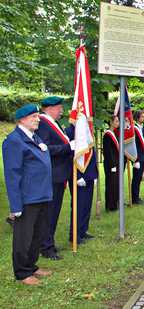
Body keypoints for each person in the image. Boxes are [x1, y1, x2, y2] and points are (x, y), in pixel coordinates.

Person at [2, 104, 53, 285]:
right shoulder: (14, 141)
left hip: (42, 194)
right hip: (27, 197)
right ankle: (22, 272)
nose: (37, 119)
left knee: (37, 234)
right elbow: (12, 175)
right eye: (33, 116)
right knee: (24, 236)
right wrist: (15, 206)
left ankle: (31, 265)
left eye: (38, 116)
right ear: (21, 119)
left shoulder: (34, 137)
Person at [36, 96, 74, 261]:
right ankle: (46, 247)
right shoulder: (44, 123)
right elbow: (44, 148)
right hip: (51, 174)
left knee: (53, 211)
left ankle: (48, 242)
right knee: (49, 212)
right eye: (59, 108)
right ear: (50, 108)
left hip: (58, 174)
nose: (61, 111)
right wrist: (68, 147)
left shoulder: (54, 123)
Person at [65, 124, 98, 244]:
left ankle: (83, 230)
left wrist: (94, 175)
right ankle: (74, 234)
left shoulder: (87, 128)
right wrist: (78, 176)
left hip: (89, 174)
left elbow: (92, 153)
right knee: (78, 205)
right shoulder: (69, 131)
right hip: (77, 175)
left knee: (87, 205)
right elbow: (70, 155)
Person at [103, 115, 120, 211]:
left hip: (116, 163)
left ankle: (115, 202)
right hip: (111, 164)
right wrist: (113, 165)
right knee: (110, 184)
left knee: (115, 183)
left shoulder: (114, 133)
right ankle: (110, 205)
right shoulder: (107, 134)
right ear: (111, 122)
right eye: (116, 121)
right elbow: (108, 152)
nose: (118, 123)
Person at [132, 110, 144, 204]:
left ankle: (137, 196)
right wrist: (135, 159)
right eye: (142, 116)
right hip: (137, 157)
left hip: (142, 155)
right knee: (136, 178)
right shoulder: (134, 129)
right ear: (137, 118)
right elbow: (133, 145)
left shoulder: (142, 128)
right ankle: (134, 198)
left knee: (139, 177)